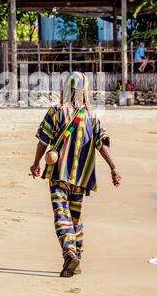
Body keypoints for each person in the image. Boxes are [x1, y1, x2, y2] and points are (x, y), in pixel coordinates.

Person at [30, 72, 122, 278]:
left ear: (65, 89)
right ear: (85, 91)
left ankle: (70, 251)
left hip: (58, 174)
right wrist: (113, 168)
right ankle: (75, 260)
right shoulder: (92, 117)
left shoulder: (56, 112)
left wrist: (36, 163)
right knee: (75, 217)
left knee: (61, 214)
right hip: (82, 178)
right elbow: (102, 145)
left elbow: (43, 141)